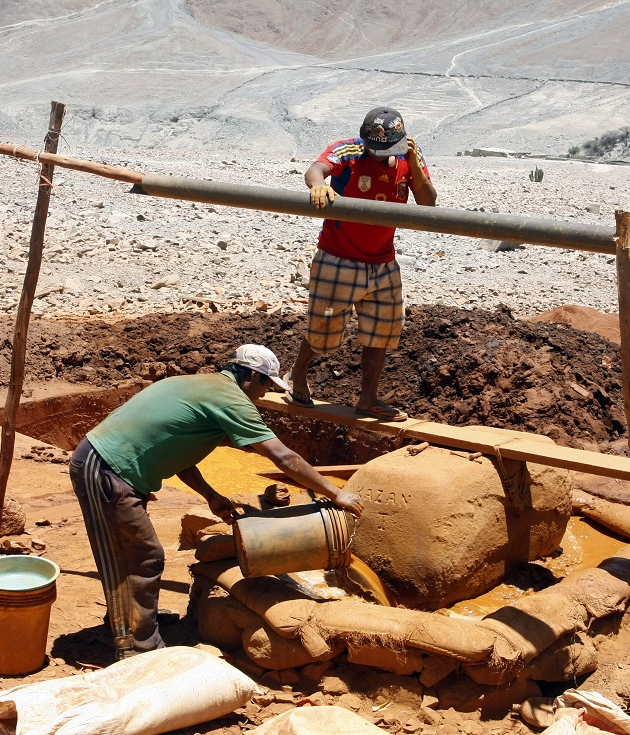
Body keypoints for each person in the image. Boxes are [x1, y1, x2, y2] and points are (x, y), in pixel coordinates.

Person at [69, 344, 364, 659]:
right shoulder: (231, 399)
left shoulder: (204, 386)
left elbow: (177, 453)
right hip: (104, 469)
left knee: (133, 554)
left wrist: (210, 495)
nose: (265, 394)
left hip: (113, 467)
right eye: (265, 384)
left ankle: (132, 624)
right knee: (140, 556)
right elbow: (283, 457)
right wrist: (336, 493)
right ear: (250, 375)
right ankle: (136, 648)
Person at [286, 106, 437, 421]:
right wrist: (317, 185)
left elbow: (428, 202)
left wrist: (414, 165)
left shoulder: (412, 157)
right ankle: (298, 374)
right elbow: (316, 169)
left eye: (386, 149)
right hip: (338, 257)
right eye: (374, 148)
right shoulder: (350, 150)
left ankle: (368, 399)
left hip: (383, 262)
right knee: (323, 328)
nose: (378, 154)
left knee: (381, 331)